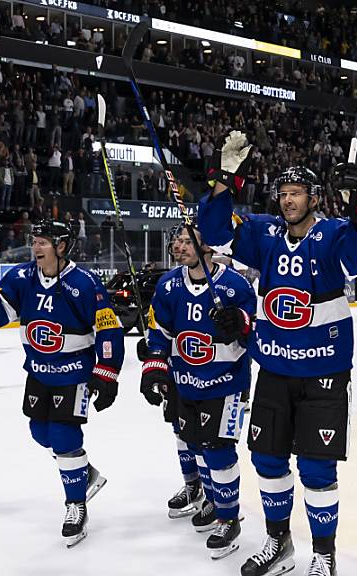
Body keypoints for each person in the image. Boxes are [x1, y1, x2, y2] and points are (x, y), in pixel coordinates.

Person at [198, 131, 357, 576]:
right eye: (282, 193)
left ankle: (324, 554)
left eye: (296, 193)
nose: (287, 200)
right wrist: (225, 180)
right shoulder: (264, 233)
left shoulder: (335, 234)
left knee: (318, 468)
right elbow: (213, 230)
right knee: (267, 459)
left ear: (314, 197)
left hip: (324, 372)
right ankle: (279, 543)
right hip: (274, 370)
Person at [0, 219, 123, 547]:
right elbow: (0, 315)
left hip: (74, 373)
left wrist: (106, 372)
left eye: (43, 242)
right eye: (34, 241)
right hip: (38, 372)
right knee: (40, 433)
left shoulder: (84, 283)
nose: (36, 247)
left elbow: (109, 329)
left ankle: (76, 504)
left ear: (62, 247)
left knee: (64, 436)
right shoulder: (21, 277)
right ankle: (83, 471)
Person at [141, 224, 256, 559]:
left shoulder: (234, 284)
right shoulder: (169, 284)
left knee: (218, 450)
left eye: (187, 240)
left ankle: (229, 517)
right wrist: (154, 367)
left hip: (225, 383)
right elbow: (160, 332)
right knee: (191, 442)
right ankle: (206, 495)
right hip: (183, 381)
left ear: (208, 246)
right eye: (176, 241)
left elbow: (254, 331)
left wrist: (241, 322)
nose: (179, 246)